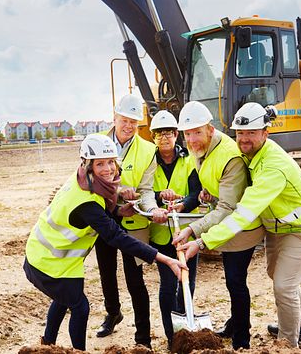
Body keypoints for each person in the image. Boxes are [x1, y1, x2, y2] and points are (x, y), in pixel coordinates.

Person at [177, 102, 301, 348]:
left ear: (265, 134)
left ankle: (288, 343)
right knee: (278, 277)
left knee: (284, 284)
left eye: (251, 133)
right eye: (240, 133)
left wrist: (203, 241)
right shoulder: (250, 153)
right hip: (277, 227)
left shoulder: (273, 167)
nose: (244, 139)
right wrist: (213, 195)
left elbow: (241, 214)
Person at [23, 134, 185, 351]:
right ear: (88, 165)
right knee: (80, 307)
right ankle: (78, 351)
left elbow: (98, 211)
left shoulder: (84, 179)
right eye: (100, 164)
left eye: (111, 162)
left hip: (55, 257)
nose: (108, 169)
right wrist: (163, 258)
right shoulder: (86, 200)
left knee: (64, 299)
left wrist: (118, 210)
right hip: (46, 260)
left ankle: (47, 345)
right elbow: (116, 236)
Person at [172, 101, 265, 350]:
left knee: (235, 280)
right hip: (226, 222)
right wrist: (209, 194)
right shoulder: (198, 148)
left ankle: (241, 339)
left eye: (197, 132)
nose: (191, 139)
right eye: (187, 134)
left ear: (210, 130)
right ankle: (235, 324)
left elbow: (229, 208)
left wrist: (193, 229)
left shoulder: (230, 156)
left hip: (242, 227)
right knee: (232, 279)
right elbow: (220, 194)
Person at [94, 94, 168, 349]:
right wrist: (118, 192)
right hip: (105, 219)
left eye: (134, 122)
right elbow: (90, 183)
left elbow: (146, 189)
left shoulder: (148, 150)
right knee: (106, 272)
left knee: (135, 280)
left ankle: (143, 337)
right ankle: (112, 313)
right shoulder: (96, 143)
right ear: (114, 118)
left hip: (134, 223)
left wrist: (152, 208)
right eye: (124, 120)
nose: (128, 126)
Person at [147, 110, 202, 348]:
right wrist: (161, 197)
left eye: (168, 133)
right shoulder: (149, 162)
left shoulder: (189, 159)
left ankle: (184, 330)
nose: (164, 138)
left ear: (176, 134)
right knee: (168, 284)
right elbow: (145, 191)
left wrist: (183, 204)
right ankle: (172, 335)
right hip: (161, 235)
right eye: (159, 134)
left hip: (186, 233)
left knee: (187, 282)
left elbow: (195, 193)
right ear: (153, 138)